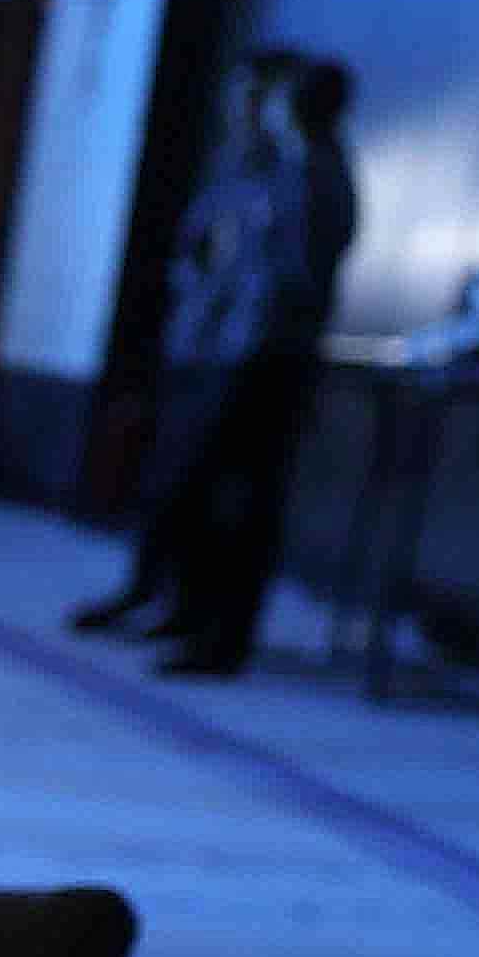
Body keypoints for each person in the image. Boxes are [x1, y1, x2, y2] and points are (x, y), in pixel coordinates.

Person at [96, 52, 357, 679]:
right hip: (220, 345)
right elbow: (207, 249)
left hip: (262, 355)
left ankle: (220, 636)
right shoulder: (253, 166)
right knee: (189, 487)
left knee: (240, 501)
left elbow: (288, 270)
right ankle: (179, 607)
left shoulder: (311, 171)